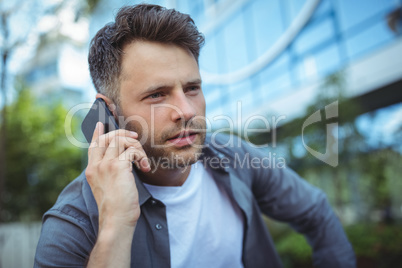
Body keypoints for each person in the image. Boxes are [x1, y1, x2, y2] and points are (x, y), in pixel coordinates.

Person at [34, 4, 356, 268]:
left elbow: (316, 213)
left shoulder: (233, 157)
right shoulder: (72, 224)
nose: (186, 110)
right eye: (157, 95)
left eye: (192, 88)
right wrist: (116, 224)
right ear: (110, 112)